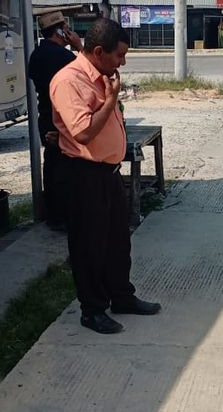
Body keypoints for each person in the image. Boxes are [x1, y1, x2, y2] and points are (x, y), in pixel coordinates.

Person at [50, 18, 160, 334]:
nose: (122, 63)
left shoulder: (102, 76)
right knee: (89, 246)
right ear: (99, 51)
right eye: (119, 56)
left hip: (109, 173)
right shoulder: (69, 80)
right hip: (84, 175)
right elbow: (83, 131)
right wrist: (112, 99)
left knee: (117, 242)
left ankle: (122, 296)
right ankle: (93, 309)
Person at [29, 11, 83, 230]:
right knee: (68, 168)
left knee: (51, 165)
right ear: (61, 31)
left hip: (46, 117)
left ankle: (54, 215)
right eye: (66, 29)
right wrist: (79, 47)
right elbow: (86, 76)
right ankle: (66, 216)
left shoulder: (37, 55)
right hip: (65, 120)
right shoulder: (64, 58)